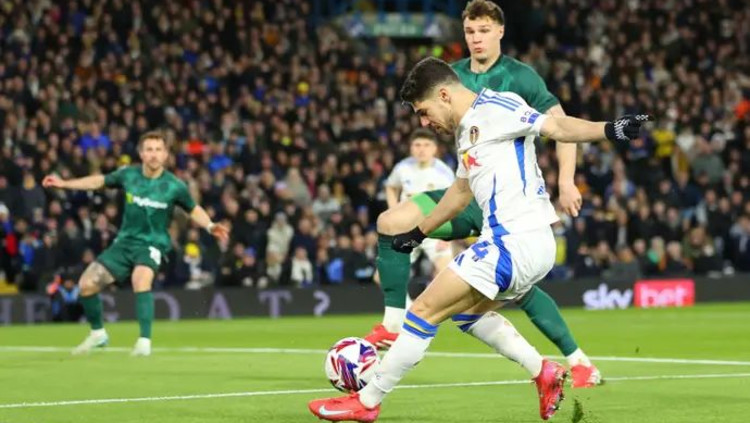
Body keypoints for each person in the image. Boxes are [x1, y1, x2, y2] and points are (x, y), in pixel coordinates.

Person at [309, 57, 649, 422]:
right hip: (524, 244)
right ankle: (543, 372)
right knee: (466, 315)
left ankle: (367, 401)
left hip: (513, 241)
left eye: (424, 112)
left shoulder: (497, 108)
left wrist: (610, 129)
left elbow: (557, 126)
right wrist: (418, 233)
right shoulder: (465, 131)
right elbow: (460, 192)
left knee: (422, 311)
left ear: (443, 95)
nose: (423, 123)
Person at [365, 0, 599, 388]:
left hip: (507, 198)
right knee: (391, 222)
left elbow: (561, 127)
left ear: (500, 32)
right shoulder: (450, 77)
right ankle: (392, 323)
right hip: (466, 189)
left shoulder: (521, 78)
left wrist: (567, 180)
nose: (476, 39)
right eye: (470, 31)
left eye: (484, 31)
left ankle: (577, 360)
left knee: (513, 287)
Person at [42, 131, 229, 356]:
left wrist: (210, 225)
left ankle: (144, 342)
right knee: (86, 285)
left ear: (166, 154)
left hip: (152, 244)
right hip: (124, 243)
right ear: (141, 153)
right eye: (149, 150)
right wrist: (64, 184)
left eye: (158, 150)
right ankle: (98, 334)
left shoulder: (174, 186)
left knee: (140, 279)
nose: (154, 154)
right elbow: (99, 181)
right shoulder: (128, 175)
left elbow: (193, 208)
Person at [381, 128, 455, 301]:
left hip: (434, 230)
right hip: (406, 229)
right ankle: (407, 310)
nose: (422, 149)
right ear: (411, 148)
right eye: (417, 145)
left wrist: (449, 235)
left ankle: (430, 307)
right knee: (384, 275)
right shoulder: (402, 167)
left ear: (435, 148)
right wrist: (393, 212)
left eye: (426, 145)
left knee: (448, 273)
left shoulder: (444, 173)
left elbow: (453, 203)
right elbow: (391, 187)